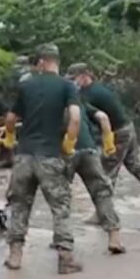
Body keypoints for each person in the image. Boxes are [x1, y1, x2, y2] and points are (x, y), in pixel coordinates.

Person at [2, 43, 83, 275]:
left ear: (40, 62)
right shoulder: (67, 86)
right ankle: (65, 259)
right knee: (60, 207)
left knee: (19, 205)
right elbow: (75, 118)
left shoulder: (26, 86)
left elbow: (10, 118)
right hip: (50, 155)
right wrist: (69, 144)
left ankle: (15, 257)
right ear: (56, 61)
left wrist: (10, 137)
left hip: (24, 155)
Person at [66, 62, 140, 214]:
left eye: (73, 78)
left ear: (84, 76)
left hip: (117, 133)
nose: (72, 82)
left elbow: (98, 118)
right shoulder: (99, 88)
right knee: (134, 164)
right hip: (128, 126)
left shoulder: (87, 94)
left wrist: (107, 142)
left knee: (106, 172)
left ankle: (102, 213)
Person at [50, 98, 126, 254]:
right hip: (89, 150)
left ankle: (61, 238)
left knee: (60, 196)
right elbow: (103, 117)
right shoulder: (79, 101)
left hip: (64, 151)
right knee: (101, 193)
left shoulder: (47, 102)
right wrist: (108, 142)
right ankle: (114, 237)